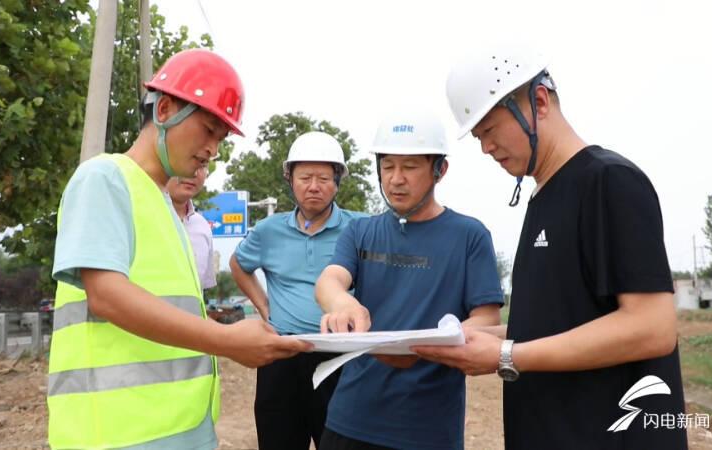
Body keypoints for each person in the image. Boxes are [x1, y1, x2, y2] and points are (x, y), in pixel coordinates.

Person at [413, 43, 687, 449]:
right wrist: (476, 339)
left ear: (539, 101)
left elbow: (652, 327)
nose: (485, 148)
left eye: (489, 130)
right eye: (477, 137)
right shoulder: (543, 197)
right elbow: (560, 324)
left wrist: (506, 354)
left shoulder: (608, 181)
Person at [47, 49, 309, 450]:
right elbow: (107, 296)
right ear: (165, 109)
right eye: (207, 130)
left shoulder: (165, 207)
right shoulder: (104, 178)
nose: (213, 149)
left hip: (178, 430)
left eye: (220, 139)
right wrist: (228, 341)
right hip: (118, 434)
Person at [314, 111, 504, 450]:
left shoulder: (469, 236)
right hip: (351, 419)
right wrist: (342, 302)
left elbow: (487, 318)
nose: (396, 179)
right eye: (387, 167)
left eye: (411, 167)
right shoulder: (360, 231)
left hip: (427, 427)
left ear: (439, 170)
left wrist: (427, 347)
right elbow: (330, 280)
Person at [229, 131, 365, 450]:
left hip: (340, 355)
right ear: (290, 179)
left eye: (323, 178)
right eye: (305, 177)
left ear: (337, 182)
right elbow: (239, 265)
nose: (314, 186)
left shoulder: (361, 228)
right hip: (282, 354)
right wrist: (265, 309)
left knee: (343, 443)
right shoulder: (268, 231)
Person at [167, 167, 217, 293]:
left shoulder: (203, 226)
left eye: (202, 164)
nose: (194, 172)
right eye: (189, 159)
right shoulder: (137, 215)